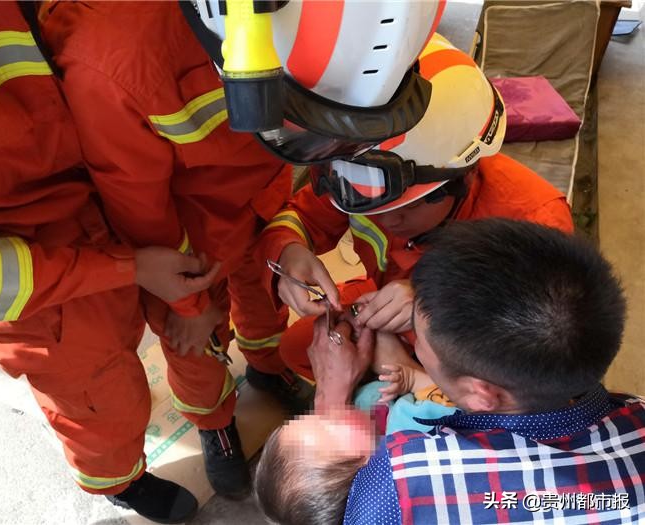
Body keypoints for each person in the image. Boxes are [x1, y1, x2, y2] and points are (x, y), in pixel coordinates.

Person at [37, 0, 444, 511]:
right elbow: (145, 223)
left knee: (262, 300)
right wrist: (192, 308)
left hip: (254, 204)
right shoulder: (118, 63)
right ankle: (215, 422)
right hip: (182, 244)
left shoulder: (367, 32)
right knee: (198, 342)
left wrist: (281, 245)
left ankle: (264, 367)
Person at [0, 2, 224, 523]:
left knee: (193, 327)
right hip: (43, 288)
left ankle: (215, 418)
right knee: (103, 404)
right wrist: (127, 269)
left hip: (124, 204)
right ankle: (121, 480)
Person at [254, 218, 645, 525]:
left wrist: (331, 397)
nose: (412, 341)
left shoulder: (399, 485)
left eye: (419, 345)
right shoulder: (635, 413)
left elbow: (321, 498)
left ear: (482, 395)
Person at [257, 34, 574, 382]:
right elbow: (298, 217)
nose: (381, 218)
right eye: (366, 202)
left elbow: (532, 351)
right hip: (380, 308)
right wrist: (288, 251)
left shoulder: (536, 225)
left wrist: (432, 309)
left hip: (464, 347)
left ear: (460, 177)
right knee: (298, 349)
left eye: (402, 208)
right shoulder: (360, 175)